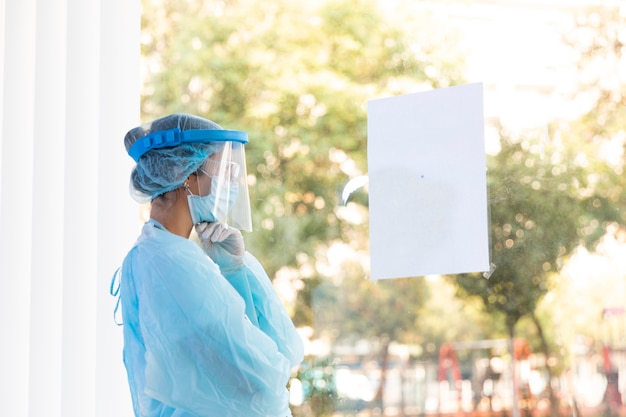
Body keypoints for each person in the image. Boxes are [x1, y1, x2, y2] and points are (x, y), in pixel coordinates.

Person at [111, 113, 304, 417]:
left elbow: (276, 352)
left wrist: (235, 270)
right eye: (226, 168)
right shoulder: (169, 263)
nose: (233, 182)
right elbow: (261, 380)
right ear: (186, 174)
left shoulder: (160, 254)